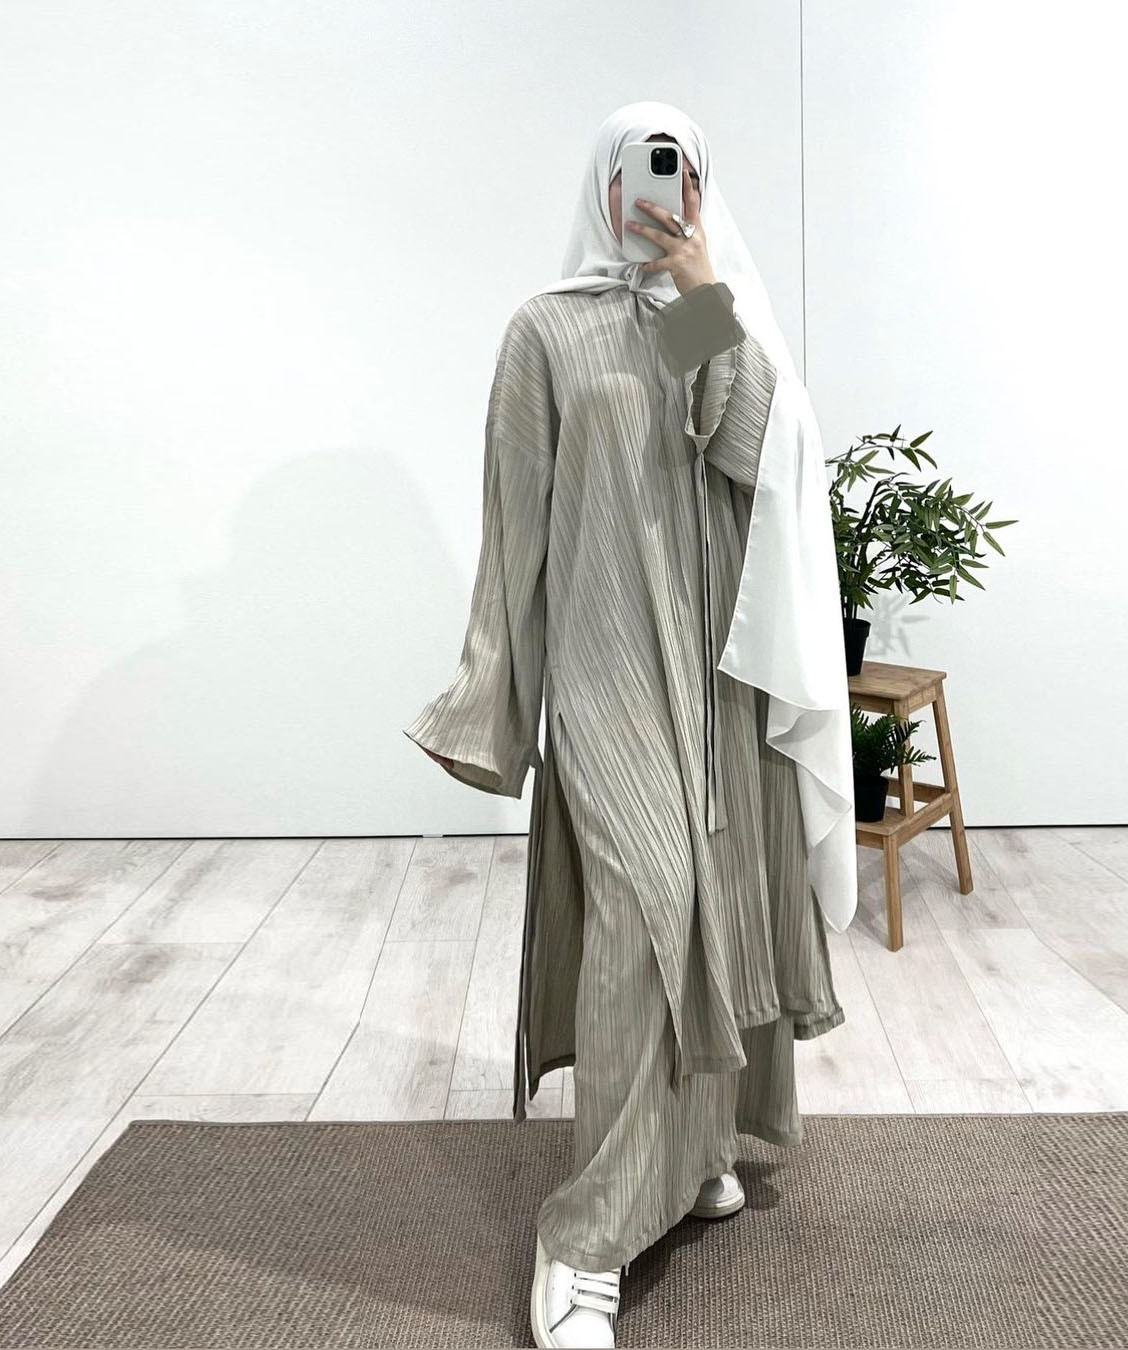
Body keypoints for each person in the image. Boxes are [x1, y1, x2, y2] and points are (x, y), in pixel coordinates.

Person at [403, 101, 857, 1349]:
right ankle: (585, 1240)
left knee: (718, 912)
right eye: (642, 169)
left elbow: (758, 455)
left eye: (683, 170)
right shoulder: (545, 332)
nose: (661, 189)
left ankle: (694, 1148)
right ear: (603, 185)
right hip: (607, 675)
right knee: (645, 922)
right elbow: (516, 520)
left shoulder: (712, 313)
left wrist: (703, 293)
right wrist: (493, 692)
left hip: (721, 685)